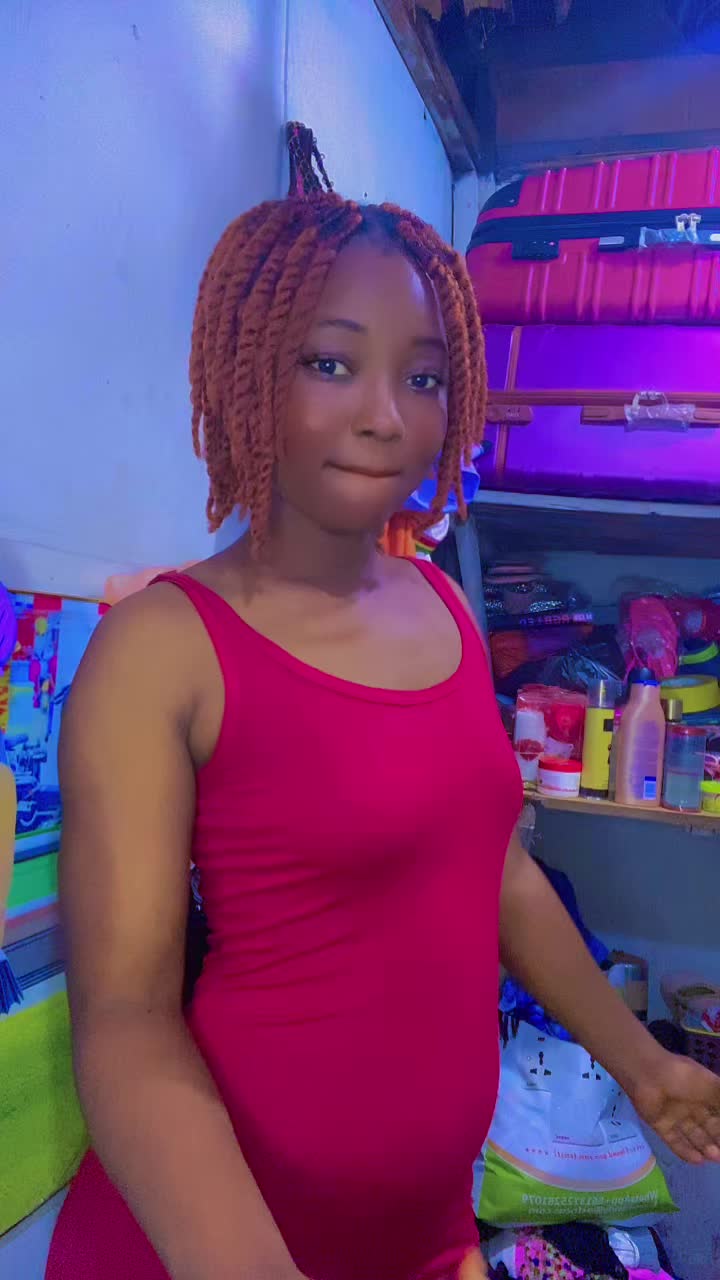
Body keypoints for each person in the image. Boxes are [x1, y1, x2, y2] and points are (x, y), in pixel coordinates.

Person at [47, 195, 720, 1280]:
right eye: (330, 363)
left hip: (419, 1237)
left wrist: (642, 1064)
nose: (386, 416)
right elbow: (124, 1022)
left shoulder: (444, 606)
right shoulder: (161, 650)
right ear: (246, 370)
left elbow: (493, 874)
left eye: (424, 377)